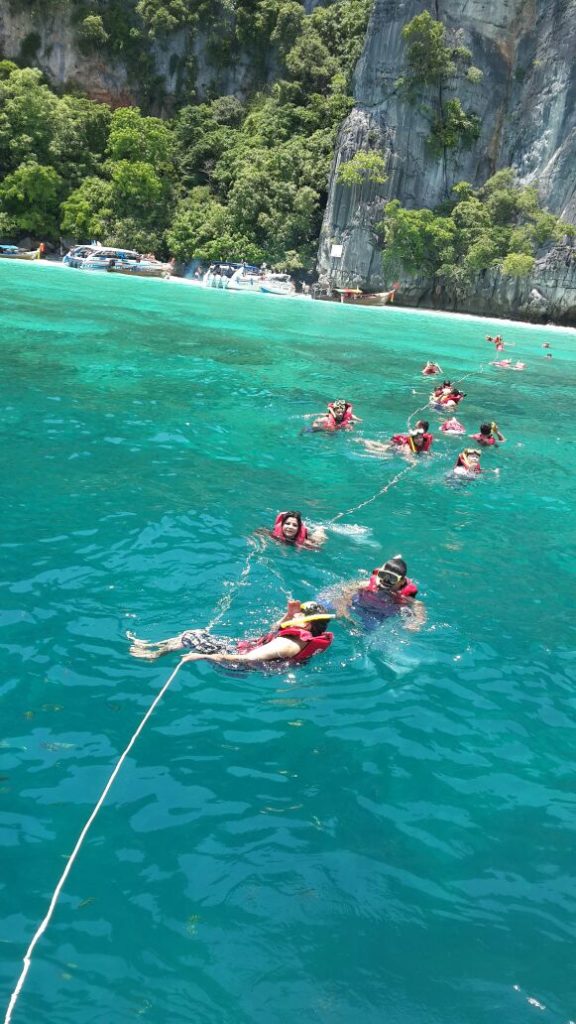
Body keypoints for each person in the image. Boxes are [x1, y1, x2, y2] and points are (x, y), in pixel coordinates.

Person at [129, 600, 335, 667]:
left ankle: (153, 654)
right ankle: (154, 648)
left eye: (297, 615)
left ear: (306, 625)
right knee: (196, 634)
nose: (293, 616)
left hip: (238, 665)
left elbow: (247, 659)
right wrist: (289, 614)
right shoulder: (298, 635)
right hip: (248, 655)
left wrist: (203, 656)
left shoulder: (286, 644)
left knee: (191, 636)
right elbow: (277, 629)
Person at [329, 556, 426, 632]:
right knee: (325, 603)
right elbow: (347, 589)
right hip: (358, 604)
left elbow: (419, 605)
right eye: (383, 575)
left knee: (367, 632)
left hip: (377, 615)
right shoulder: (367, 585)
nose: (385, 580)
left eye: (392, 578)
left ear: (401, 581)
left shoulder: (403, 597)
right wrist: (343, 607)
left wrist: (416, 623)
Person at [357, 420, 433, 458]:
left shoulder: (425, 438)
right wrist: (413, 461)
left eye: (416, 427)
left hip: (400, 443)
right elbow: (407, 456)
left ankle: (366, 442)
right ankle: (365, 442)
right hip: (399, 445)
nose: (414, 428)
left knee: (382, 446)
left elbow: (427, 449)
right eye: (417, 438)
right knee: (381, 449)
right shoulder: (410, 442)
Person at [256, 510, 327, 549]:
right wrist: (262, 541)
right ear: (282, 525)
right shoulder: (273, 534)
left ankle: (320, 529)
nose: (290, 527)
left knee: (318, 539)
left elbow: (318, 549)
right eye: (287, 523)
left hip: (304, 537)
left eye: (295, 525)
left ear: (298, 528)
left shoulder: (305, 542)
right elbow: (259, 531)